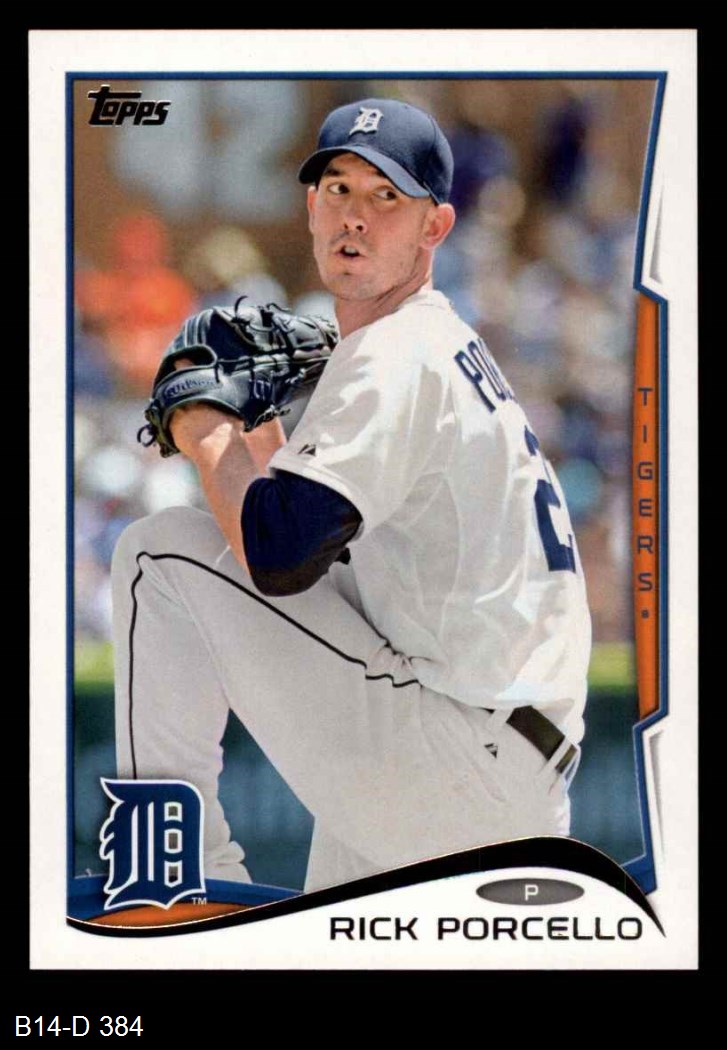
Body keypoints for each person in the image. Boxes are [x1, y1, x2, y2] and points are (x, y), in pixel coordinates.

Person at [111, 98, 592, 893]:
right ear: (311, 208)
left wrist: (204, 429)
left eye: (385, 196)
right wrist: (257, 436)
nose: (355, 217)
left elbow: (277, 556)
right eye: (338, 189)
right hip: (498, 785)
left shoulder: (398, 350)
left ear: (434, 227)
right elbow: (315, 553)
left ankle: (171, 879)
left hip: (452, 752)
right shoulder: (440, 347)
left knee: (157, 555)